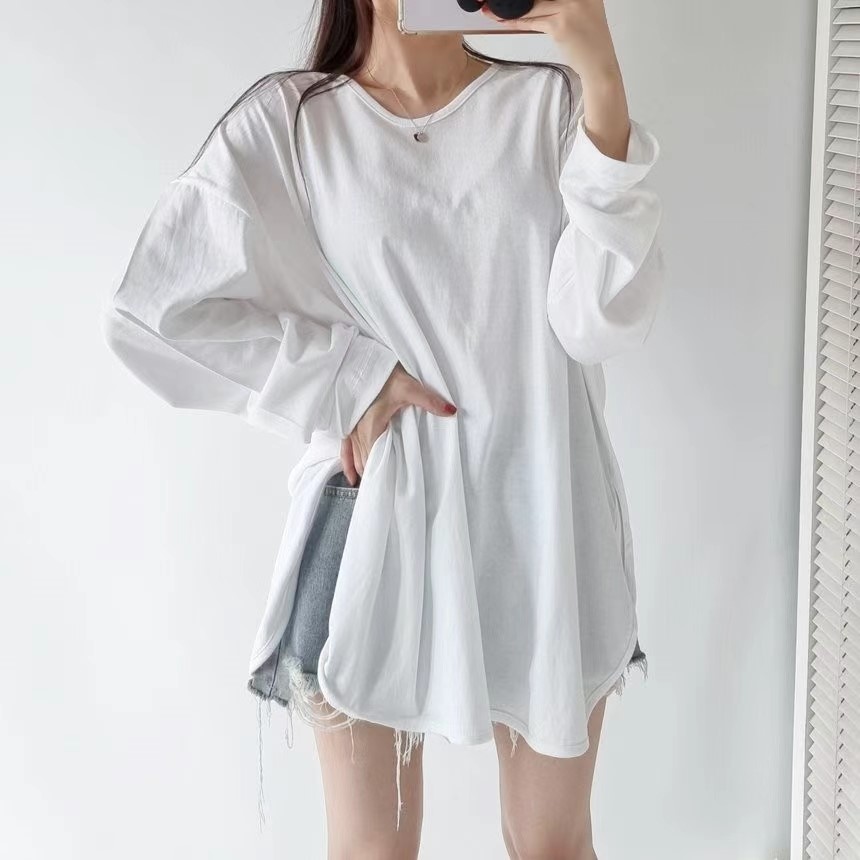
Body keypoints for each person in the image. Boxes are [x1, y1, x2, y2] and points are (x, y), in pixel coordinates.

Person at [101, 0, 665, 856]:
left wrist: (603, 79)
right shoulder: (294, 124)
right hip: (373, 528)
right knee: (373, 851)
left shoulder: (548, 106)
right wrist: (349, 379)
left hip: (546, 520)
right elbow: (151, 311)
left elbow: (597, 322)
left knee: (552, 844)